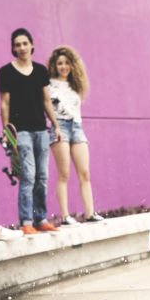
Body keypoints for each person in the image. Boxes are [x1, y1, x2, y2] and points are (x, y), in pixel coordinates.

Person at [0, 28, 63, 235]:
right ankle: (26, 221)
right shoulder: (6, 71)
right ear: (13, 48)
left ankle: (40, 218)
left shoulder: (41, 71)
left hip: (41, 131)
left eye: (25, 43)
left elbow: (46, 100)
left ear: (32, 45)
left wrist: (55, 125)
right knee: (28, 176)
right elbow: (4, 104)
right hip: (20, 132)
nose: (22, 47)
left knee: (42, 176)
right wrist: (7, 134)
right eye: (17, 44)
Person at [47, 45, 104, 225]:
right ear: (54, 66)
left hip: (77, 126)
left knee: (84, 173)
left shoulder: (75, 85)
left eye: (66, 63)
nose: (63, 66)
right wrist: (54, 126)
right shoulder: (48, 85)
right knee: (64, 173)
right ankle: (65, 216)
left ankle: (90, 213)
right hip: (59, 126)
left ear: (72, 65)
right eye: (59, 63)